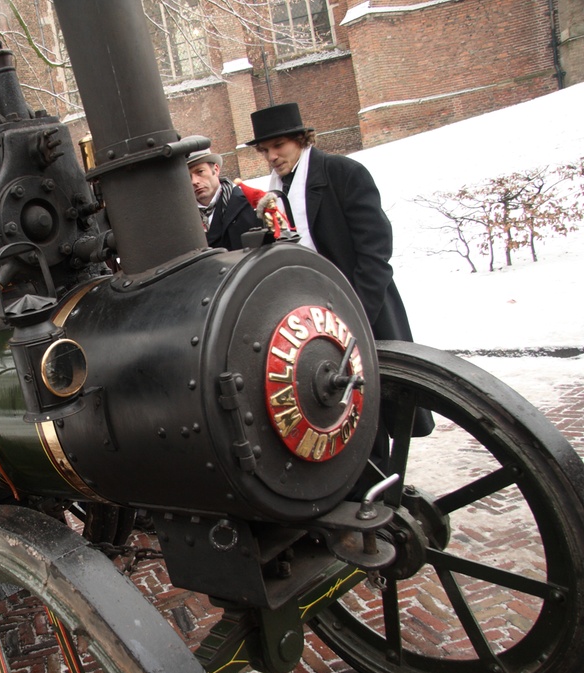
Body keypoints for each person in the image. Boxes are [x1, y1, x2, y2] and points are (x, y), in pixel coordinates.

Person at [246, 102, 433, 439]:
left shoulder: (343, 173)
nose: (272, 157)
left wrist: (358, 311)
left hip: (364, 306)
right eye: (264, 150)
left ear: (301, 140)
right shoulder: (274, 194)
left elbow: (375, 251)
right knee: (341, 411)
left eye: (278, 146)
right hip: (315, 318)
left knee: (380, 405)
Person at [184, 137, 262, 250]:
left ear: (215, 169)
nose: (194, 181)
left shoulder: (246, 204)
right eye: (187, 177)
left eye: (200, 172)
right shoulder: (184, 218)